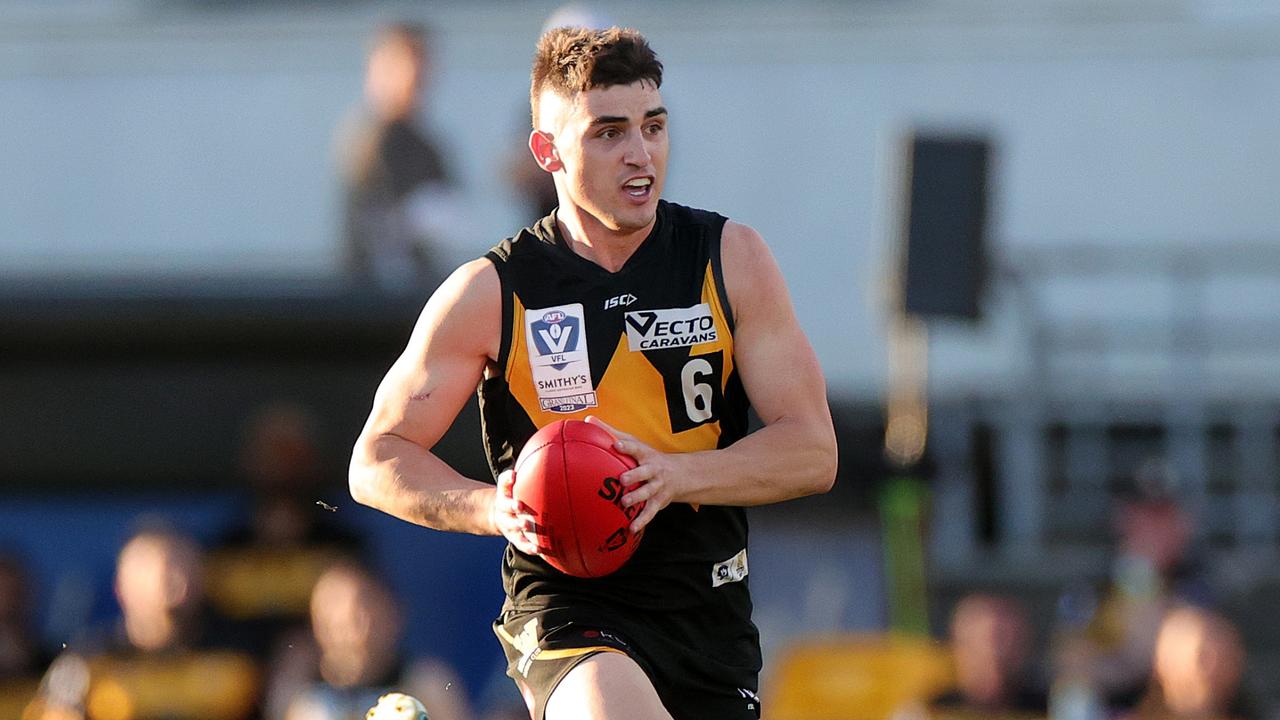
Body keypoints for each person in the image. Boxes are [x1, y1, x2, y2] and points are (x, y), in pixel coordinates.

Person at [348, 25, 837, 720]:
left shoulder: (730, 258)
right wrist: (492, 508)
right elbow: (375, 459)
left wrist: (674, 475)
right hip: (567, 607)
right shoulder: (491, 291)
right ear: (546, 150)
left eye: (653, 126)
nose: (641, 155)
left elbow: (814, 450)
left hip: (707, 614)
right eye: (609, 133)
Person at [337, 21, 460, 293]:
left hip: (418, 290)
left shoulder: (425, 143)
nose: (416, 76)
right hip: (377, 295)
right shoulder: (373, 141)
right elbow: (375, 230)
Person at [280, 562, 471, 720]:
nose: (352, 632)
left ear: (391, 614)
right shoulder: (306, 701)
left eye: (359, 616)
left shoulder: (427, 683)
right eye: (334, 620)